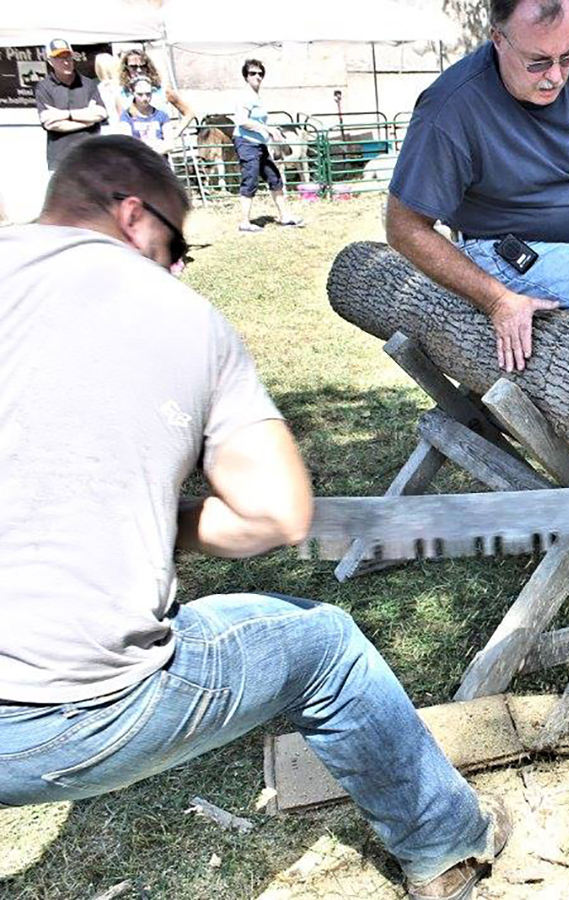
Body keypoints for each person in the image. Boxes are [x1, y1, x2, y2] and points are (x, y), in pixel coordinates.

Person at [0, 136, 511, 900]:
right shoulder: (179, 317)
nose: (176, 269)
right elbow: (278, 515)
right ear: (133, 214)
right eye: (176, 247)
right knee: (326, 647)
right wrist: (166, 523)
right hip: (60, 715)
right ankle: (447, 845)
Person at [387, 0, 569, 373]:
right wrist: (498, 300)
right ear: (498, 38)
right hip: (503, 248)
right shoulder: (451, 106)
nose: (557, 76)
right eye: (539, 61)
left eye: (568, 55)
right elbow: (404, 227)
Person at [232, 59, 304, 233]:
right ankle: (244, 223)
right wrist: (268, 129)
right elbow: (242, 121)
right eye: (252, 73)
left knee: (274, 177)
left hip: (259, 143)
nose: (257, 76)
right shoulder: (246, 96)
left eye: (260, 73)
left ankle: (285, 217)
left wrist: (271, 132)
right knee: (250, 180)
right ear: (246, 76)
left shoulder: (256, 96)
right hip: (246, 143)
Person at [33, 38, 106, 171]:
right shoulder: (44, 87)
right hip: (60, 159)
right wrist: (87, 120)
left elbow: (100, 113)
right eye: (59, 58)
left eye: (68, 56)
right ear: (50, 61)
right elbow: (49, 122)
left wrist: (65, 115)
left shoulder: (88, 84)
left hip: (91, 156)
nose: (66, 62)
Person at [115, 49, 195, 124]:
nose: (139, 70)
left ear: (148, 67)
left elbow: (189, 113)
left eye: (143, 66)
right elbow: (122, 123)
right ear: (126, 68)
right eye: (133, 67)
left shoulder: (162, 90)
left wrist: (176, 132)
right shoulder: (122, 94)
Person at [120, 77, 173, 156]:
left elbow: (170, 145)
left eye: (148, 94)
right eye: (140, 94)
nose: (145, 98)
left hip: (159, 161)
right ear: (132, 93)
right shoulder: (126, 116)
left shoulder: (162, 115)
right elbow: (127, 144)